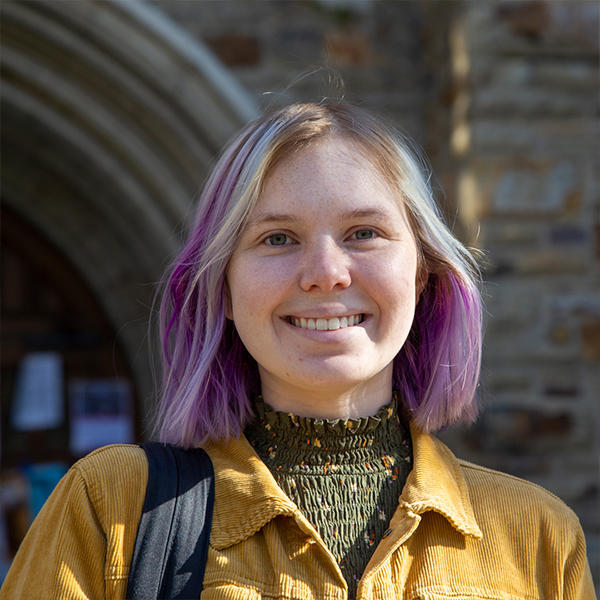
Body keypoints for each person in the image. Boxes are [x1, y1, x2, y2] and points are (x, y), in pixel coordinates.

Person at [1, 102, 594, 599]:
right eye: (276, 238)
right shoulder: (111, 508)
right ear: (223, 290)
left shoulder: (537, 536)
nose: (325, 274)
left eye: (365, 233)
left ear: (421, 274)